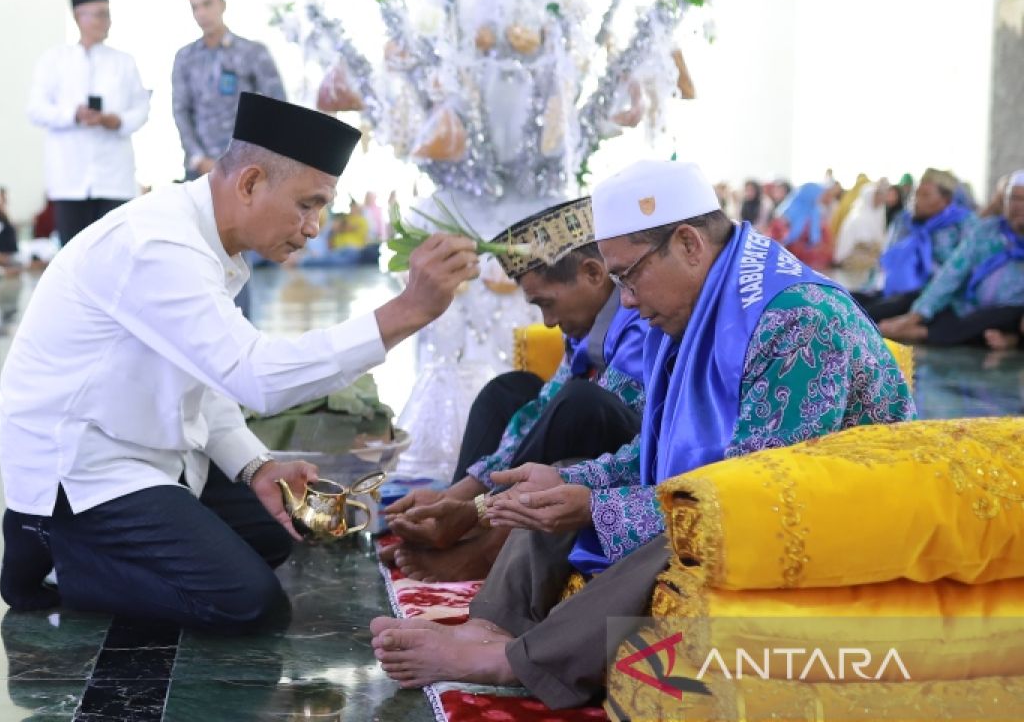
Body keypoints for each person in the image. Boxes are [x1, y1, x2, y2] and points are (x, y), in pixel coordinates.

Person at [371, 160, 916, 709]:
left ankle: (518, 661)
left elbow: (750, 503)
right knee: (558, 483)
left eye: (628, 276)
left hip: (828, 523)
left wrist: (595, 508)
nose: (625, 300)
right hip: (747, 496)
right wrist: (569, 482)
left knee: (686, 528)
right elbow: (651, 455)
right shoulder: (687, 309)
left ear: (688, 244)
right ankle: (494, 625)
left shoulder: (797, 320)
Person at [0, 93, 480, 633]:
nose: (315, 226)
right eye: (307, 204)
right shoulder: (158, 243)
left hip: (149, 450)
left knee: (273, 534)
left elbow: (209, 379)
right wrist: (405, 311)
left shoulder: (211, 243)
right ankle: (55, 558)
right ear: (249, 183)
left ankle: (97, 548)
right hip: (84, 468)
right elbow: (256, 376)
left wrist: (257, 467)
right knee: (249, 604)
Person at [380, 197, 648, 582]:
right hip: (593, 441)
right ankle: (457, 525)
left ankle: (491, 548)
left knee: (581, 401)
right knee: (509, 390)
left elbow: (589, 414)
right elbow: (540, 409)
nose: (549, 322)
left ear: (593, 273)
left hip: (638, 461)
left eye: (547, 304)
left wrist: (478, 503)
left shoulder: (641, 320)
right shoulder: (589, 327)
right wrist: (458, 496)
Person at [27, 0, 150, 246]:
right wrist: (73, 114)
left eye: (107, 14)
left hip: (114, 179)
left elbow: (141, 109)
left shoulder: (124, 63)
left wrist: (116, 121)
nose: (106, 21)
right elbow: (36, 109)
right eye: (99, 14)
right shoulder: (54, 61)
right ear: (78, 17)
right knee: (74, 258)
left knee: (114, 254)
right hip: (70, 178)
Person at [879, 170, 1024, 350]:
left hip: (1011, 312)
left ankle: (923, 333)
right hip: (968, 304)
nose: (1018, 206)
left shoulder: (965, 222)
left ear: (946, 200)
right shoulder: (988, 231)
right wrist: (916, 315)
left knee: (997, 317)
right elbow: (953, 271)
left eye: (1023, 200)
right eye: (1013, 199)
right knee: (936, 306)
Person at [172, 0, 286, 181]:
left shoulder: (252, 52)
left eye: (207, 4)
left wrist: (257, 156)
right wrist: (199, 159)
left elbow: (278, 108)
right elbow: (181, 111)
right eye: (195, 7)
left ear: (222, 4)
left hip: (246, 167)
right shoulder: (185, 57)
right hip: (200, 170)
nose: (201, 13)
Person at [853, 168, 975, 321]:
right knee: (849, 300)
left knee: (869, 313)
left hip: (930, 294)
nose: (917, 200)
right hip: (891, 289)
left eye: (925, 195)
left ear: (946, 200)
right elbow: (886, 260)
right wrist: (870, 288)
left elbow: (960, 271)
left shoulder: (962, 225)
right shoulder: (904, 222)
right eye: (916, 193)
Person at [767, 181, 834, 270]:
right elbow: (777, 237)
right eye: (819, 194)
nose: (820, 197)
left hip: (809, 262)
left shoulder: (815, 211)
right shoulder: (785, 213)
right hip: (787, 259)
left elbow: (819, 238)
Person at [831, 177, 886, 272]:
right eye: (876, 195)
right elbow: (863, 243)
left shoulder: (874, 215)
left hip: (864, 261)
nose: (880, 199)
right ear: (869, 197)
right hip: (850, 262)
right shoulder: (859, 217)